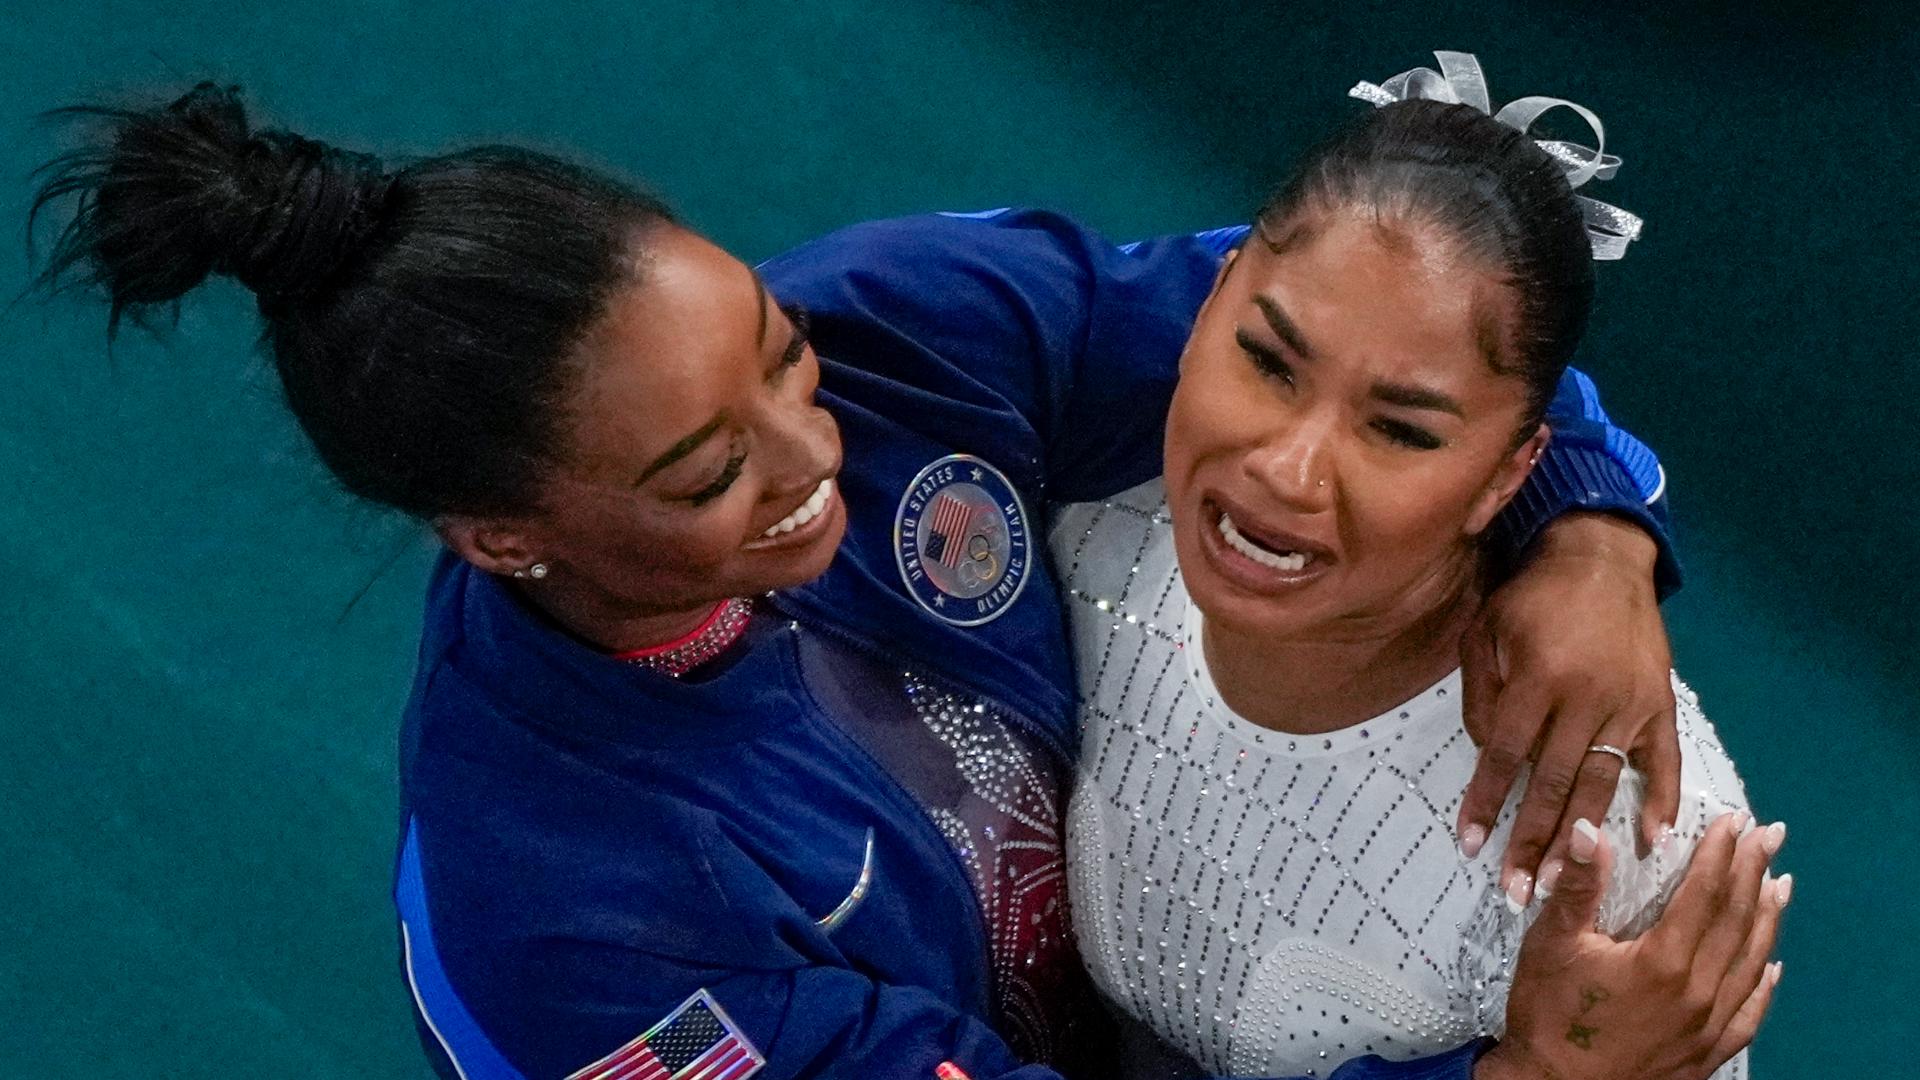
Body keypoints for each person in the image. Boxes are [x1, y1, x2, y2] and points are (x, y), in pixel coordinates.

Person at [29, 77, 1773, 1080]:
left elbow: (1348, 310)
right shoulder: (567, 922)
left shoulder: (899, 323)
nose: (812, 460)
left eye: (777, 359)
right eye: (706, 475)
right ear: (501, 534)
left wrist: (1589, 517)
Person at [1055, 54, 1782, 1079]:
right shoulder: (1083, 516)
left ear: (1511, 473)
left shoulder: (1619, 826)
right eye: (1267, 362)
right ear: (1213, 296)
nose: (1288, 472)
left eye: (1399, 429)